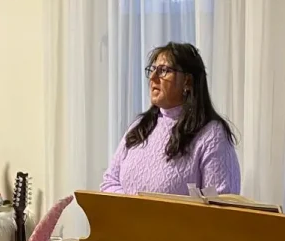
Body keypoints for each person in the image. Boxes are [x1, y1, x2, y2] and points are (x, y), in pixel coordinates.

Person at [101, 42, 240, 196]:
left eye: (164, 71)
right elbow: (109, 181)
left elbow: (220, 205)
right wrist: (135, 209)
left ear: (187, 81)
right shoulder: (140, 126)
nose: (153, 77)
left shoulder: (211, 135)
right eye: (152, 70)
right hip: (128, 220)